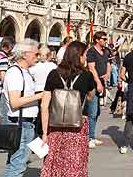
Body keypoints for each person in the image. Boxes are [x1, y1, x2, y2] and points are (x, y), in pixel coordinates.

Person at [40, 41, 96, 177]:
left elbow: (44, 105)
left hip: (56, 125)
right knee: (75, 161)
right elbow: (90, 97)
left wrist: (44, 133)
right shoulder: (87, 76)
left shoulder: (53, 74)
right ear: (79, 56)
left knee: (54, 160)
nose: (86, 58)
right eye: (85, 55)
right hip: (78, 125)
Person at [2, 39, 44, 177]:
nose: (38, 57)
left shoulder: (25, 72)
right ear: (25, 54)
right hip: (20, 123)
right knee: (18, 165)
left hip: (27, 123)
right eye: (36, 54)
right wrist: (40, 96)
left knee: (15, 163)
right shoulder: (15, 73)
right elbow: (15, 102)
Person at [85, 31, 111, 148]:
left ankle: (93, 136)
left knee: (97, 112)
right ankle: (89, 137)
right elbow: (91, 68)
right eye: (104, 39)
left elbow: (109, 63)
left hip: (102, 82)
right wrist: (98, 83)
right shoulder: (91, 51)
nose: (105, 41)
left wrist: (107, 74)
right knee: (92, 111)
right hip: (92, 84)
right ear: (97, 40)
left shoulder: (106, 51)